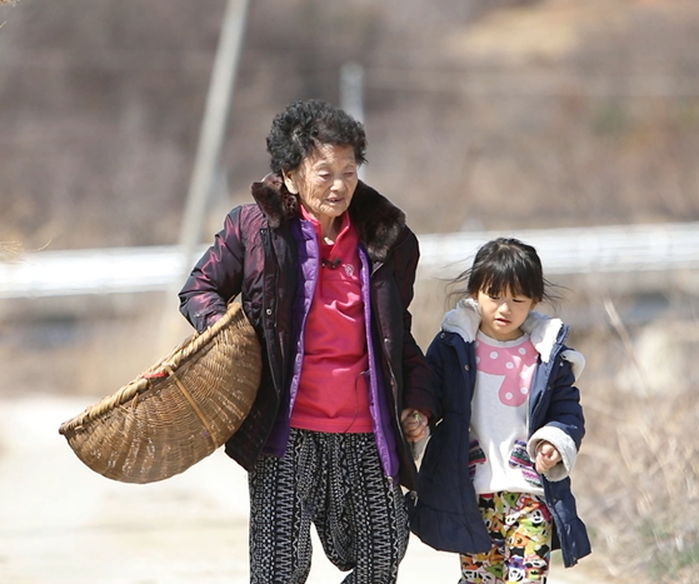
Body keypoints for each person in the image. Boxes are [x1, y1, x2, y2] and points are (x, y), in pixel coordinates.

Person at [178, 98, 431, 583]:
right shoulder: (254, 230)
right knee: (280, 570)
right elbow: (199, 289)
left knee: (382, 561)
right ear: (290, 175)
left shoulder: (390, 241)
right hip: (284, 431)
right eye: (324, 173)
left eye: (349, 171)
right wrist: (226, 339)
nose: (340, 186)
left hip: (366, 430)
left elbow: (398, 336)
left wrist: (418, 402)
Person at [409, 237, 591, 583]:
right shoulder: (455, 346)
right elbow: (428, 391)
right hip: (472, 493)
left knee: (528, 578)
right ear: (475, 293)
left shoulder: (547, 355)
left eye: (517, 299)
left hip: (530, 492)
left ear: (534, 300)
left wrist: (555, 440)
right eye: (494, 296)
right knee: (480, 579)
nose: (505, 308)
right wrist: (419, 415)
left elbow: (567, 411)